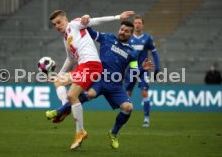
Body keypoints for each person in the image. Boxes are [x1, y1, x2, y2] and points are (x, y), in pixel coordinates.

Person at [46, 19, 154, 149]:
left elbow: (134, 71)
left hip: (115, 85)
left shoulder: (133, 53)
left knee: (128, 108)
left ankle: (113, 133)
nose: (123, 32)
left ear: (131, 34)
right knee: (89, 94)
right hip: (99, 78)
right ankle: (61, 111)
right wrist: (85, 21)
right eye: (122, 29)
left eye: (126, 31)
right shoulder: (107, 38)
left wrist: (142, 68)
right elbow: (90, 32)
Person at [124, 15, 160, 128]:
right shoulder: (129, 38)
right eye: (135, 23)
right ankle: (124, 118)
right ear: (133, 25)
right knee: (127, 94)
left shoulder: (147, 38)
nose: (137, 25)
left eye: (139, 23)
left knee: (144, 93)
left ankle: (146, 119)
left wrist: (157, 67)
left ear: (142, 25)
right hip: (132, 70)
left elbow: (154, 53)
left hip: (144, 70)